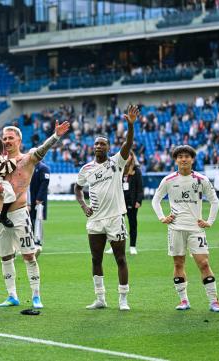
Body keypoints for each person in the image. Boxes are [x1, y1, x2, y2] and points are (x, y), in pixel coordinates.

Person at [0, 121, 70, 309]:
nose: (7, 141)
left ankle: (36, 296)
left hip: (19, 213)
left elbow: (42, 150)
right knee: (5, 256)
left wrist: (55, 136)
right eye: (4, 138)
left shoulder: (28, 159)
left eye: (10, 138)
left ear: (19, 140)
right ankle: (12, 295)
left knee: (29, 255)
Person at [75, 105, 139, 311]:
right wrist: (83, 204)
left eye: (102, 144)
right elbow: (77, 188)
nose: (98, 146)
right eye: (96, 144)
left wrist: (130, 126)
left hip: (114, 218)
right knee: (96, 258)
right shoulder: (86, 169)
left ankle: (123, 299)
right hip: (95, 220)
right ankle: (100, 298)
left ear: (109, 148)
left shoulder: (116, 163)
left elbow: (128, 144)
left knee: (120, 258)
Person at [152, 145, 219, 312]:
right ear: (176, 160)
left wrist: (209, 221)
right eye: (180, 156)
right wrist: (162, 217)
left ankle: (214, 301)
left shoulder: (201, 179)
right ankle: (184, 300)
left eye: (187, 156)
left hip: (195, 229)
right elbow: (156, 200)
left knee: (204, 263)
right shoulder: (168, 180)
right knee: (178, 264)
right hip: (175, 229)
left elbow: (215, 201)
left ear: (192, 159)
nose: (183, 159)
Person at [121, 151, 143, 255]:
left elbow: (140, 187)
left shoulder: (136, 170)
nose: (127, 157)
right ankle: (115, 246)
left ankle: (132, 246)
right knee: (117, 225)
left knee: (132, 224)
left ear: (132, 157)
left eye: (129, 155)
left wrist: (139, 200)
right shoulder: (119, 169)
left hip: (132, 201)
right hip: (120, 201)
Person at [29, 160, 50, 251]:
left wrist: (39, 198)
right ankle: (31, 240)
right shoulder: (30, 167)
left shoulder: (43, 168)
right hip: (30, 199)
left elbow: (44, 184)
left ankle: (38, 241)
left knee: (38, 220)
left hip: (38, 200)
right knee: (30, 220)